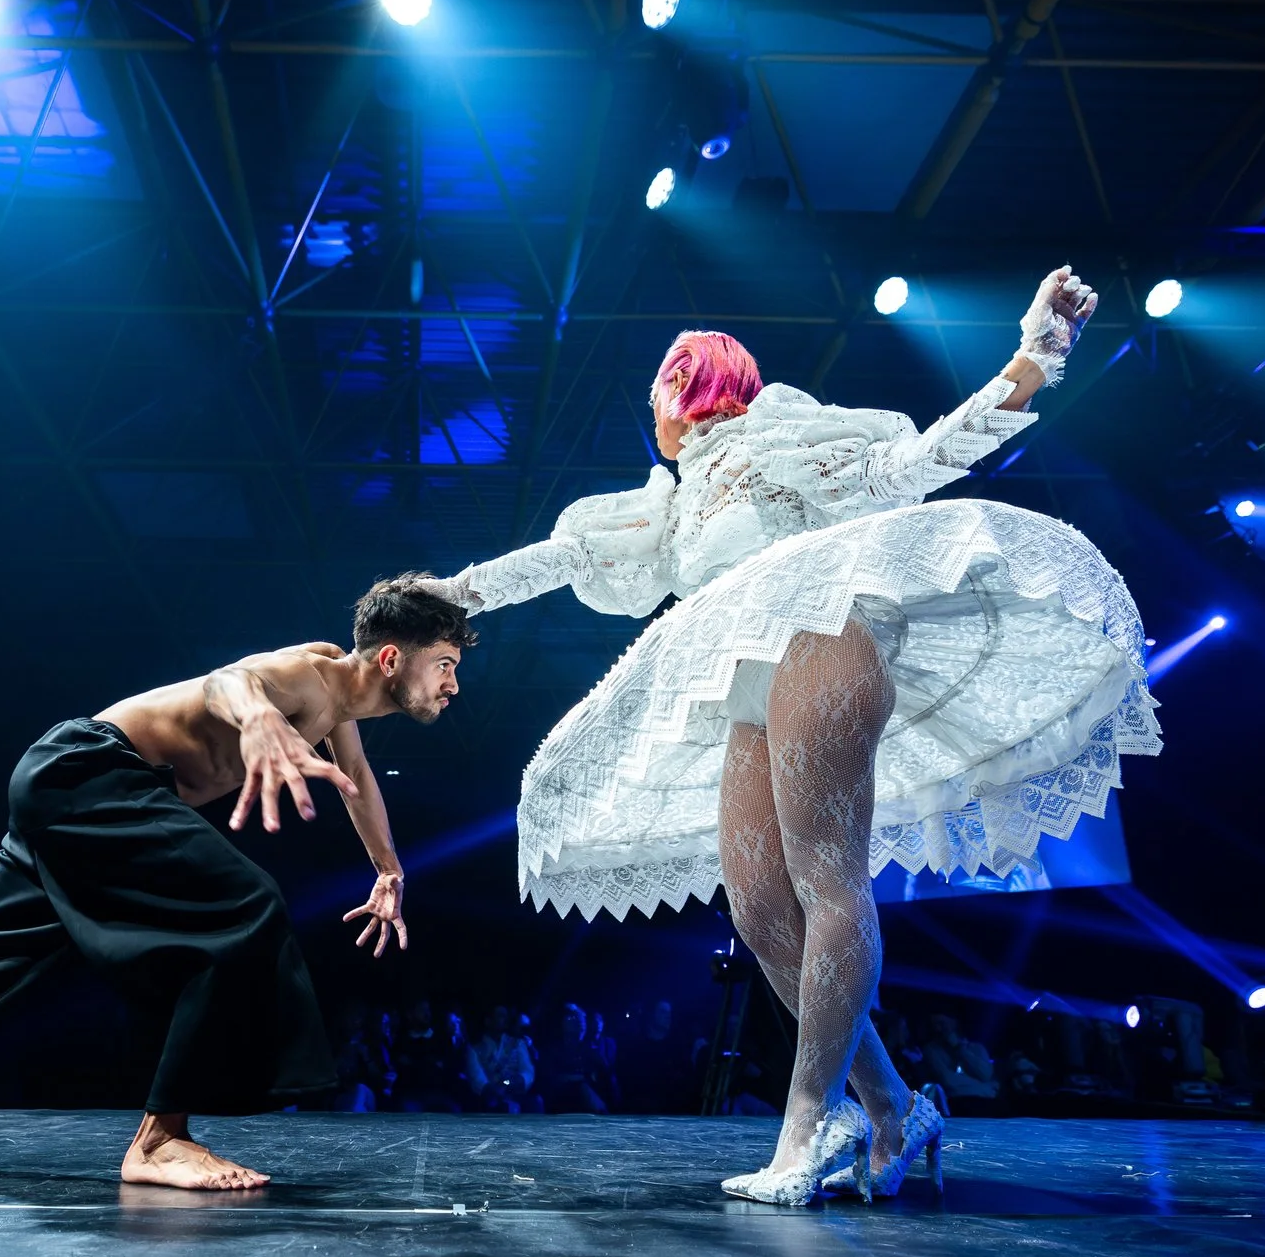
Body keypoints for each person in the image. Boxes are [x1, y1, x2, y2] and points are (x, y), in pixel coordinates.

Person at [427, 267, 1155, 1204]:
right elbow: (566, 556)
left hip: (820, 641)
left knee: (825, 880)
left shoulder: (786, 439)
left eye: (659, 380)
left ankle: (806, 1125)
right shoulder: (669, 502)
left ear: (690, 383)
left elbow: (920, 461)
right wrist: (454, 593)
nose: (650, 397)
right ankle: (889, 1105)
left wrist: (1034, 354)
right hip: (745, 682)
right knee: (761, 908)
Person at [0, 577, 475, 1190]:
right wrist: (256, 720)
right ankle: (161, 1137)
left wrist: (389, 871)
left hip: (78, 792)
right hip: (92, 775)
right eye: (445, 665)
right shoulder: (306, 671)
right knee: (243, 907)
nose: (453, 685)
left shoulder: (342, 714)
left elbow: (359, 784)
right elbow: (228, 682)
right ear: (390, 658)